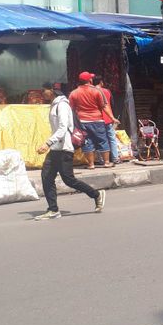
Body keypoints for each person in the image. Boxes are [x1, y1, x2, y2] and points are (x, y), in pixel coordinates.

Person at [35, 83, 105, 220]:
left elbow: (62, 128)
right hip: (56, 149)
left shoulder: (62, 105)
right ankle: (53, 209)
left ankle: (96, 194)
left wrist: (47, 143)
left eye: (44, 90)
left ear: (52, 91)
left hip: (64, 148)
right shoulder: (55, 105)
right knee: (46, 177)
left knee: (69, 180)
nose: (42, 93)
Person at [69, 71, 119, 169]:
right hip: (97, 120)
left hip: (82, 121)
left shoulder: (74, 93)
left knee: (87, 142)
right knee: (103, 140)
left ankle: (91, 164)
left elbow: (71, 108)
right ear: (90, 80)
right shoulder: (97, 91)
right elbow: (104, 106)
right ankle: (106, 163)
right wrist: (112, 118)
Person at [93, 76, 120, 165]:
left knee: (99, 139)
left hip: (97, 119)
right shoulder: (107, 91)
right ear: (101, 82)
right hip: (108, 118)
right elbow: (112, 104)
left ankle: (101, 159)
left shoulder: (92, 91)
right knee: (111, 138)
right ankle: (115, 158)